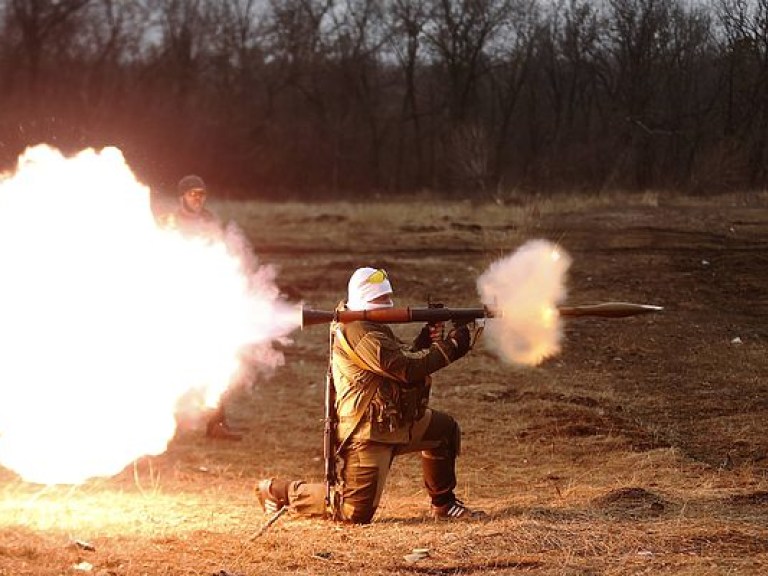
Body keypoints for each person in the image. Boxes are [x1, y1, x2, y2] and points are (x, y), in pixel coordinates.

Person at [256, 267, 480, 522]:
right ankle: (278, 491)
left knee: (444, 431)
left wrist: (423, 343)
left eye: (387, 298)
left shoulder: (368, 324)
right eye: (379, 300)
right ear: (363, 301)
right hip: (369, 431)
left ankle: (443, 504)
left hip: (395, 419)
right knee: (353, 512)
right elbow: (406, 370)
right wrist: (451, 347)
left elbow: (392, 361)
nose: (387, 305)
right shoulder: (359, 331)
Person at [163, 174, 243, 442]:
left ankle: (216, 423)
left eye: (202, 194)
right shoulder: (171, 222)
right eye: (193, 194)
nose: (198, 199)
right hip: (180, 299)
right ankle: (165, 420)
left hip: (208, 296)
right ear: (182, 196)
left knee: (215, 358)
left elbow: (222, 250)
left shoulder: (209, 221)